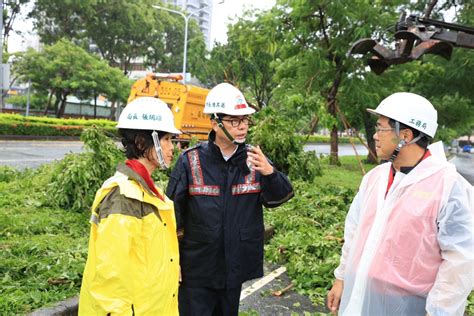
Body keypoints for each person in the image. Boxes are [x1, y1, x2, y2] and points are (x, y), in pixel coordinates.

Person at [327, 92, 473, 316]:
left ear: (405, 135)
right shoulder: (374, 179)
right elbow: (354, 233)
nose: (375, 136)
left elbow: (460, 260)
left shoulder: (448, 187)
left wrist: (439, 311)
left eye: (380, 129)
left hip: (406, 306)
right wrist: (341, 277)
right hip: (358, 293)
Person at [166, 82, 294, 316]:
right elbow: (172, 216)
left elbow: (280, 197)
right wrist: (173, 260)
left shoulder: (255, 159)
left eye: (245, 120)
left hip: (234, 268)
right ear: (215, 123)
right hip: (197, 270)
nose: (242, 127)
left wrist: (270, 173)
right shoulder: (190, 161)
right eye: (234, 121)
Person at [79, 97, 182, 315]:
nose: (172, 147)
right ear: (143, 143)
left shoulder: (148, 191)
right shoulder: (123, 196)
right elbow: (110, 278)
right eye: (166, 139)